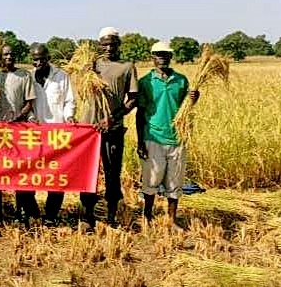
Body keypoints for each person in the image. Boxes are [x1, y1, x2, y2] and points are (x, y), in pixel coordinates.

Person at [79, 27, 139, 228]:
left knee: (112, 173)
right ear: (99, 45)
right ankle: (88, 215)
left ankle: (111, 215)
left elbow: (132, 100)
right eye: (105, 44)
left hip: (113, 130)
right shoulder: (91, 67)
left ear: (118, 45)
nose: (109, 48)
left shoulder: (127, 67)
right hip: (88, 130)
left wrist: (112, 119)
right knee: (88, 173)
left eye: (113, 44)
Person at [136, 41, 198, 225]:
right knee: (151, 181)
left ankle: (171, 219)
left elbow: (185, 108)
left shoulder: (181, 80)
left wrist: (194, 99)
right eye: (158, 54)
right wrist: (140, 142)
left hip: (177, 138)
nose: (162, 57)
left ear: (171, 57)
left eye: (165, 54)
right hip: (153, 137)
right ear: (152, 57)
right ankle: (147, 216)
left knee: (174, 182)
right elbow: (140, 113)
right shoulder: (145, 82)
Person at [0, 43, 37, 224]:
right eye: (5, 55)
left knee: (19, 172)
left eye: (11, 54)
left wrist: (18, 117)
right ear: (0, 57)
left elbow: (29, 103)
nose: (9, 57)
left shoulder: (24, 76)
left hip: (19, 130)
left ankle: (20, 212)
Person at [29, 44, 76, 225]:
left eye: (42, 58)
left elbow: (69, 102)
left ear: (48, 58)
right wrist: (31, 117)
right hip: (33, 136)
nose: (38, 62)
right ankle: (33, 213)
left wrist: (69, 116)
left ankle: (51, 216)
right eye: (35, 59)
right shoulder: (29, 77)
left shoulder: (61, 77)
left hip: (57, 135)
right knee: (29, 175)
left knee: (56, 176)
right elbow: (26, 104)